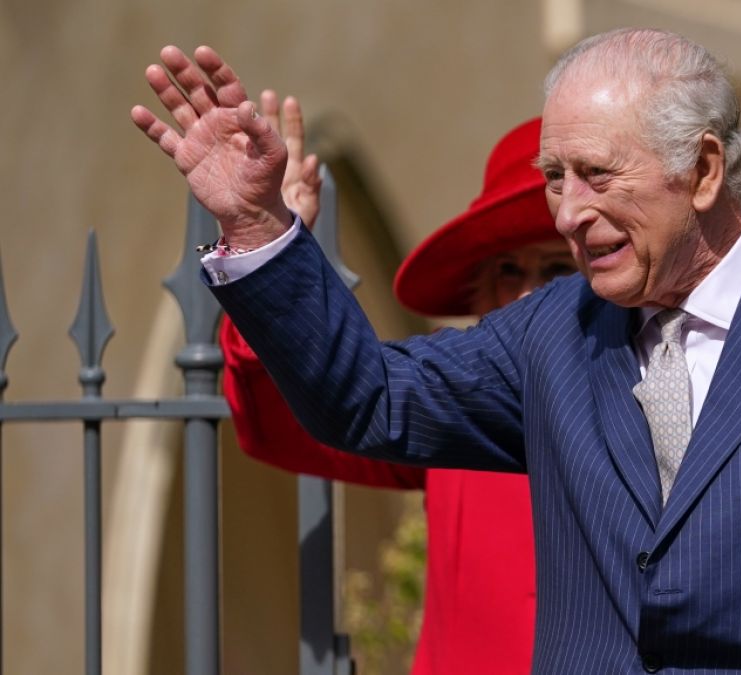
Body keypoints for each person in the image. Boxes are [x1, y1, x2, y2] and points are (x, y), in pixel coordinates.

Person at [133, 28, 741, 673]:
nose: (568, 213)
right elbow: (365, 399)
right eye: (554, 179)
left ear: (704, 169)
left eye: (597, 176)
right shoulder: (550, 334)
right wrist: (257, 228)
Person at [219, 104, 570, 673]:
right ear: (479, 297)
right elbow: (284, 424)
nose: (530, 297)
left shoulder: (675, 393)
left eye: (559, 271)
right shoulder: (455, 405)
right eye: (510, 271)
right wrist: (267, 251)